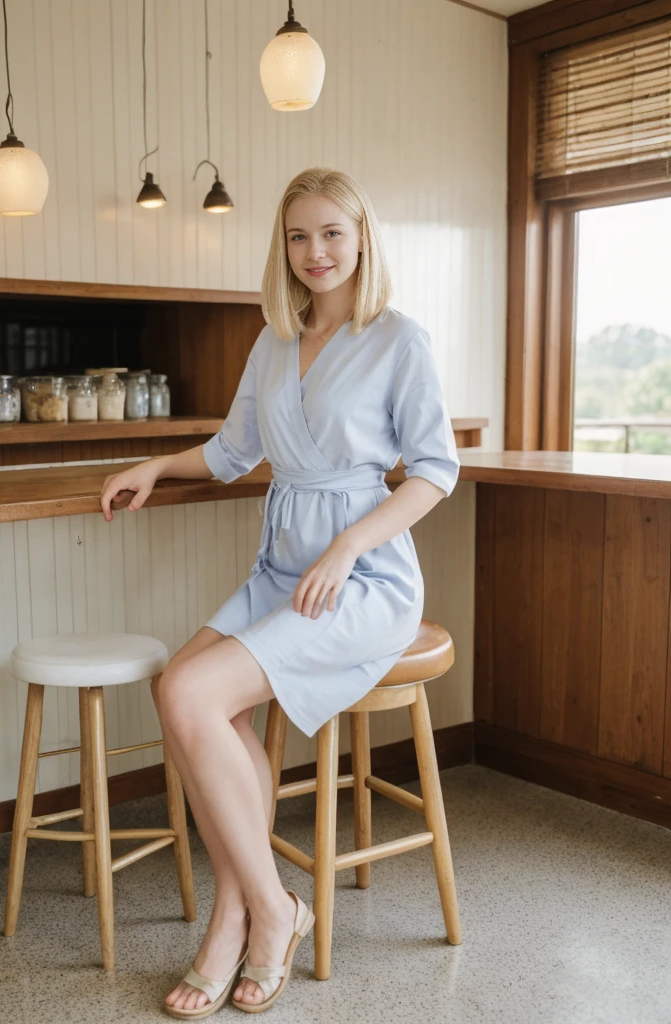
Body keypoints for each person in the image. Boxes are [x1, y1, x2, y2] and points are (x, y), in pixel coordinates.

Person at [99, 166, 460, 1017]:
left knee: (191, 690)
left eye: (332, 233)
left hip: (363, 579)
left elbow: (436, 472)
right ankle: (252, 907)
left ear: (362, 237)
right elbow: (232, 452)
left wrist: (348, 544)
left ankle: (262, 915)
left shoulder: (399, 339)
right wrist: (156, 465)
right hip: (280, 572)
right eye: (299, 236)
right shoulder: (272, 339)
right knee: (179, 693)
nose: (316, 251)